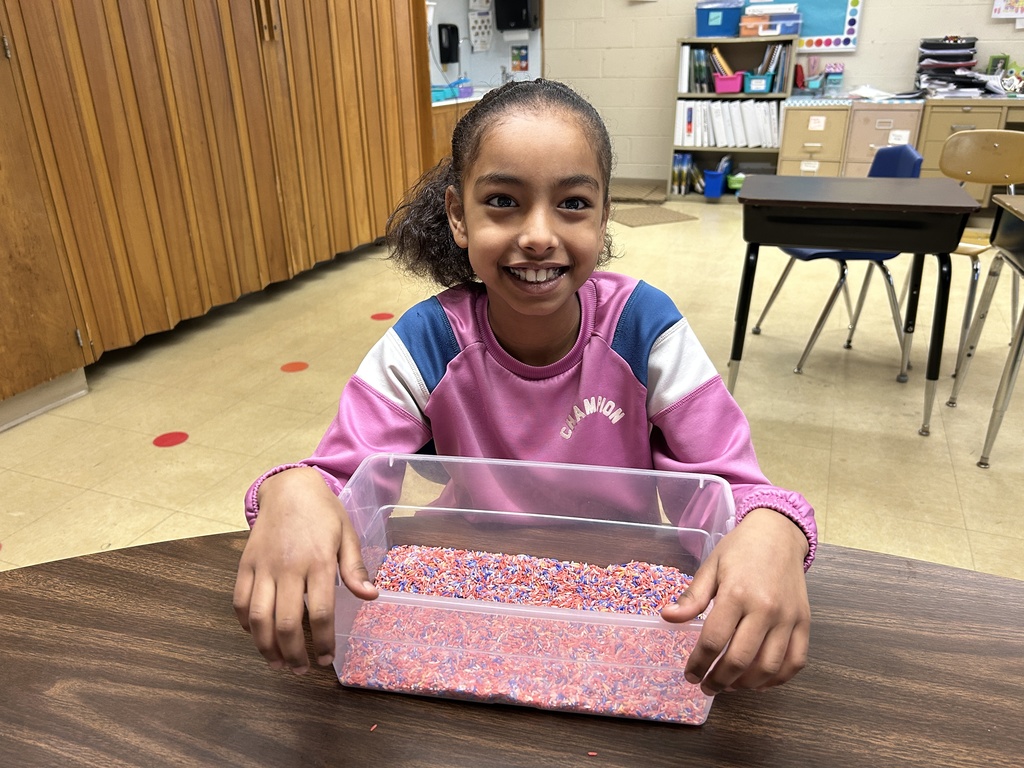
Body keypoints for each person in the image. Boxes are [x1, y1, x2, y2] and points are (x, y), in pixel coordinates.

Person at [233, 78, 815, 697]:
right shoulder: (427, 342)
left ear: (604, 215)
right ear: (459, 215)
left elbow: (732, 488)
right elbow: (341, 482)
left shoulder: (645, 328)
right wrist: (294, 489)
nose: (539, 234)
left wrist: (773, 526)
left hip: (626, 592)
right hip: (455, 594)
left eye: (572, 204)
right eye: (504, 201)